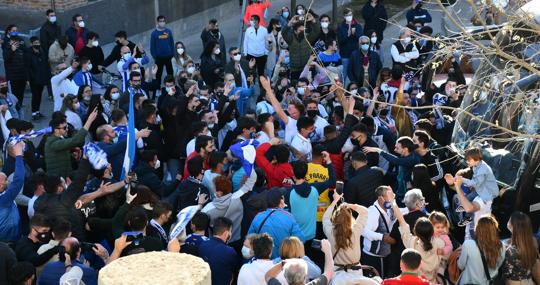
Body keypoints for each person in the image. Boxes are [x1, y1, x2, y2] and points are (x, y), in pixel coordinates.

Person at [391, 192, 444, 282]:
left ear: (415, 232)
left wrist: (393, 201)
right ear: (432, 230)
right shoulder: (440, 243)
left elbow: (402, 222)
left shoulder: (412, 243)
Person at [323, 191, 371, 285]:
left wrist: (335, 201)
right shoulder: (355, 231)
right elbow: (365, 212)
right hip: (355, 272)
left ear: (335, 218)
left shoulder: (330, 231)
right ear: (350, 218)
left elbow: (325, 217)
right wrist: (350, 205)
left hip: (337, 274)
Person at [202, 170, 257, 246]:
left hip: (217, 244)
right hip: (236, 240)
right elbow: (249, 184)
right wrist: (250, 166)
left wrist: (200, 204)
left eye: (214, 187)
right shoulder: (237, 198)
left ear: (219, 193)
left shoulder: (207, 209)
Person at [248, 188, 305, 258]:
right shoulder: (289, 217)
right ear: (281, 201)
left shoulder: (258, 216)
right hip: (283, 260)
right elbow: (301, 239)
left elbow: (249, 239)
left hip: (262, 259)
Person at [363, 136, 420, 204]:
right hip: (399, 189)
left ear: (405, 149)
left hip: (405, 193)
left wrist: (378, 150)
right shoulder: (405, 156)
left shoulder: (411, 159)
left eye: (397, 148)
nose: (395, 150)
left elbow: (396, 160)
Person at [43, 109, 96, 177]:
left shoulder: (58, 139)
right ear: (56, 130)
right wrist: (89, 121)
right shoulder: (52, 142)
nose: (67, 129)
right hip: (58, 179)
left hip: (65, 175)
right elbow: (76, 140)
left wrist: (71, 155)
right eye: (64, 128)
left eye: (67, 126)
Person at [458, 215, 505, 285]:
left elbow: (460, 266)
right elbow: (499, 264)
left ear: (477, 229)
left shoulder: (468, 244)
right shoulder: (501, 245)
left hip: (468, 282)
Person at [265, 239, 334, 285]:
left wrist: (284, 262)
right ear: (305, 276)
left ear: (285, 276)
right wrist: (328, 250)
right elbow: (329, 272)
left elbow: (268, 276)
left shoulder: (275, 262)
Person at [198, 217, 240, 285]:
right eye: (230, 231)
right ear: (226, 233)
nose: (231, 233)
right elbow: (235, 270)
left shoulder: (203, 244)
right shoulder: (230, 252)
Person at [501, 211, 538, 285]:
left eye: (509, 220)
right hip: (529, 281)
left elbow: (506, 273)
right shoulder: (533, 242)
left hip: (514, 282)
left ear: (512, 226)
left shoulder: (510, 251)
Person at [281, 13, 320, 80]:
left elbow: (317, 31)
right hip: (294, 69)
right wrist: (290, 23)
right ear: (295, 31)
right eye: (300, 31)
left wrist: (313, 20)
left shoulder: (308, 38)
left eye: (303, 30)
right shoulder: (290, 39)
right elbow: (283, 33)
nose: (302, 32)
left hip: (307, 67)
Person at [0, 142, 26, 241]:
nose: (7, 182)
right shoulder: (4, 200)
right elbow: (18, 180)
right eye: (5, 180)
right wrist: (19, 155)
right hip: (9, 241)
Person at [25, 37, 51, 120]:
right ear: (31, 44)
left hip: (41, 78)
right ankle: (33, 112)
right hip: (33, 79)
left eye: (38, 42)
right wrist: (28, 79)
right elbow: (27, 67)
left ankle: (37, 111)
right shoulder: (28, 53)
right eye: (35, 43)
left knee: (39, 95)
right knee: (35, 95)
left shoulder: (42, 51)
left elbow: (45, 64)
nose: (37, 44)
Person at [337, 8, 363, 84]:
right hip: (345, 55)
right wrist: (347, 36)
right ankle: (342, 91)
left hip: (355, 54)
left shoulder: (358, 26)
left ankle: (356, 90)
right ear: (344, 16)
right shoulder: (341, 27)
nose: (349, 17)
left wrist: (355, 34)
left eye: (350, 15)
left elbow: (361, 38)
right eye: (347, 15)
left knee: (356, 74)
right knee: (343, 74)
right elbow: (340, 41)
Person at [4, 34, 27, 110]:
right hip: (13, 77)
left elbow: (26, 60)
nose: (16, 43)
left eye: (17, 41)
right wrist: (12, 51)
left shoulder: (21, 49)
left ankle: (19, 108)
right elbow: (6, 59)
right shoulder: (7, 49)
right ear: (11, 42)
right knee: (13, 95)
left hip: (22, 76)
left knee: (21, 95)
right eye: (14, 41)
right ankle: (14, 111)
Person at [150, 15, 175, 82]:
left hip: (169, 57)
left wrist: (173, 54)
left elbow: (172, 43)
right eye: (161, 21)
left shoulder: (168, 31)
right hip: (159, 58)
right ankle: (158, 89)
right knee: (158, 74)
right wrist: (155, 56)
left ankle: (172, 87)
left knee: (170, 73)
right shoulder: (154, 34)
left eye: (163, 21)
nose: (162, 22)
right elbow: (152, 46)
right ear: (158, 22)